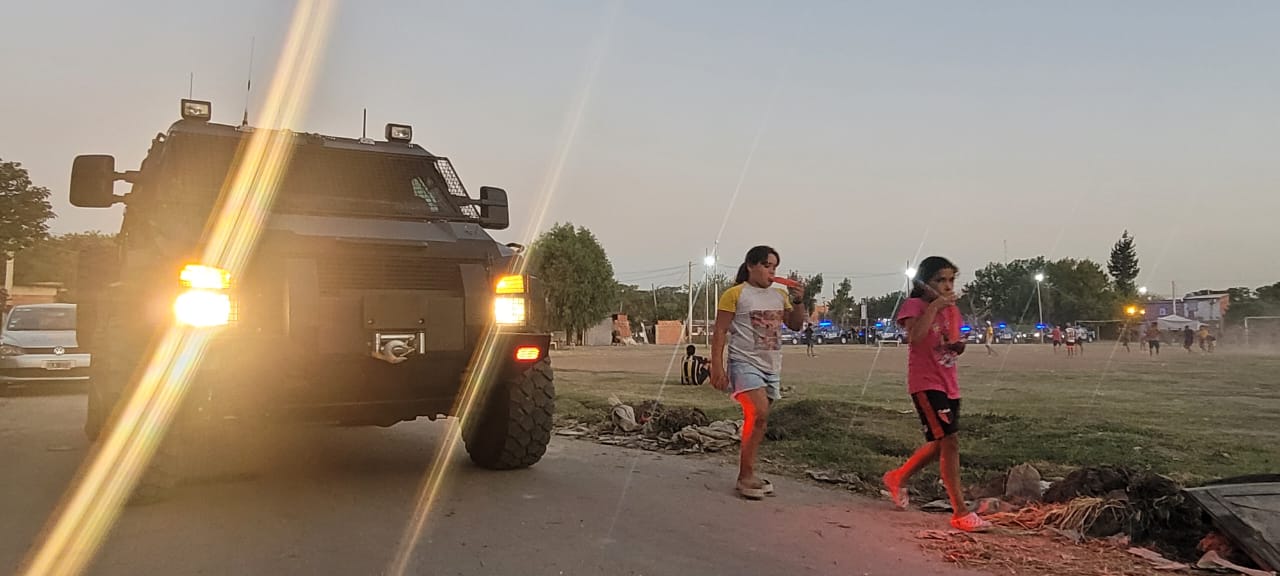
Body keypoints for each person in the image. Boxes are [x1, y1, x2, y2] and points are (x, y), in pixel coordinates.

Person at [882, 256, 991, 532]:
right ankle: (960, 511)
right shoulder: (915, 306)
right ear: (924, 283)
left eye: (951, 280)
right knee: (950, 441)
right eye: (939, 280)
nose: (946, 286)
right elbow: (915, 337)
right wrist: (935, 307)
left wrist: (957, 346)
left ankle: (897, 477)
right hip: (926, 382)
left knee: (941, 443)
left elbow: (947, 342)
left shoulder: (953, 311)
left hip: (949, 382)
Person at [710, 245, 806, 500]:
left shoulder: (779, 296)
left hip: (771, 365)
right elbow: (720, 331)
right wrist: (716, 365)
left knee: (759, 421)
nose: (771, 271)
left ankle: (747, 471)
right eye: (766, 266)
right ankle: (746, 475)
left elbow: (796, 325)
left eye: (774, 267)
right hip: (744, 362)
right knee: (759, 412)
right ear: (751, 266)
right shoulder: (735, 294)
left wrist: (797, 300)